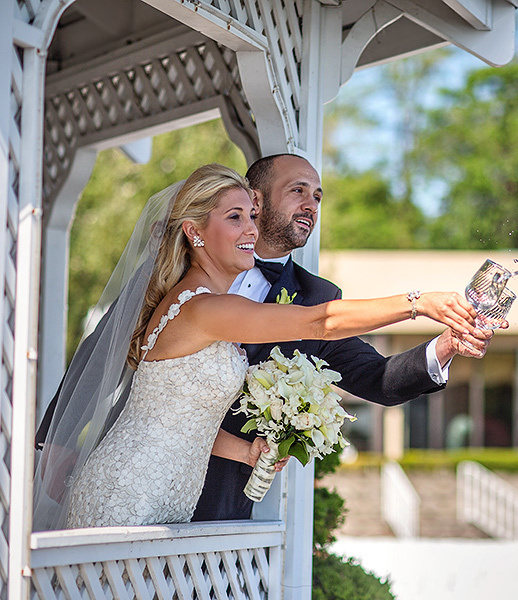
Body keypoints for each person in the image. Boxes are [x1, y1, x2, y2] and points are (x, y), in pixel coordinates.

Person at [39, 163, 479, 529]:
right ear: (195, 232)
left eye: (319, 196)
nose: (249, 228)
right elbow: (317, 323)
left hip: (184, 500)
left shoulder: (295, 292)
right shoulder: (201, 306)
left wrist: (246, 450)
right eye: (237, 217)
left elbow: (183, 413)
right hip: (131, 490)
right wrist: (418, 303)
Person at [191, 154, 498, 521]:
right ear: (254, 199)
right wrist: (418, 303)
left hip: (223, 506)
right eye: (298, 191)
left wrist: (446, 345)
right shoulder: (181, 267)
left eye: (318, 197)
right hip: (150, 470)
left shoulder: (316, 295)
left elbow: (379, 380)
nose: (311, 205)